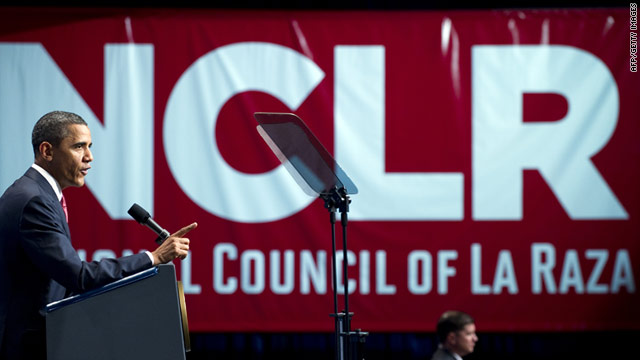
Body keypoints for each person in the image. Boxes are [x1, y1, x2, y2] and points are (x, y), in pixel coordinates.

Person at [0, 111, 197, 360]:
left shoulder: (37, 193)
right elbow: (78, 276)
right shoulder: (34, 201)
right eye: (78, 146)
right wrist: (154, 258)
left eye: (89, 146)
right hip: (27, 346)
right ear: (47, 151)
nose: (89, 157)